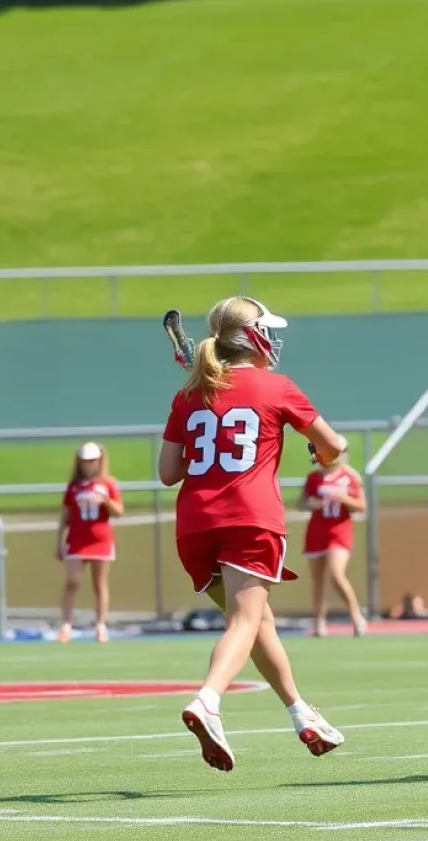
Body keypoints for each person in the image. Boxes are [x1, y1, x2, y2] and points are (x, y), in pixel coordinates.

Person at [158, 296, 347, 773]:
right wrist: (319, 454)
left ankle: (301, 712)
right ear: (254, 336)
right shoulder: (276, 385)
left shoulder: (189, 393)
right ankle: (208, 700)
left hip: (195, 526)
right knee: (244, 624)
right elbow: (335, 446)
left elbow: (168, 472)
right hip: (250, 517)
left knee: (257, 623)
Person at [56, 441, 124, 644]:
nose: (89, 465)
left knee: (100, 584)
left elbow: (119, 511)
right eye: (85, 461)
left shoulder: (108, 484)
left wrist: (106, 502)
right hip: (77, 540)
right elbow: (65, 516)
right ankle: (66, 625)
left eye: (92, 461)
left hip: (100, 539)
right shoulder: (74, 486)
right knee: (72, 581)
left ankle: (100, 625)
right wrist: (59, 541)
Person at [299, 445, 368, 638]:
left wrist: (343, 498)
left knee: (336, 574)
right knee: (317, 579)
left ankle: (356, 616)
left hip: (339, 531)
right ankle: (319, 622)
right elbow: (302, 502)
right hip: (317, 531)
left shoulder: (349, 476)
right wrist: (312, 504)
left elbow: (362, 506)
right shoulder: (314, 477)